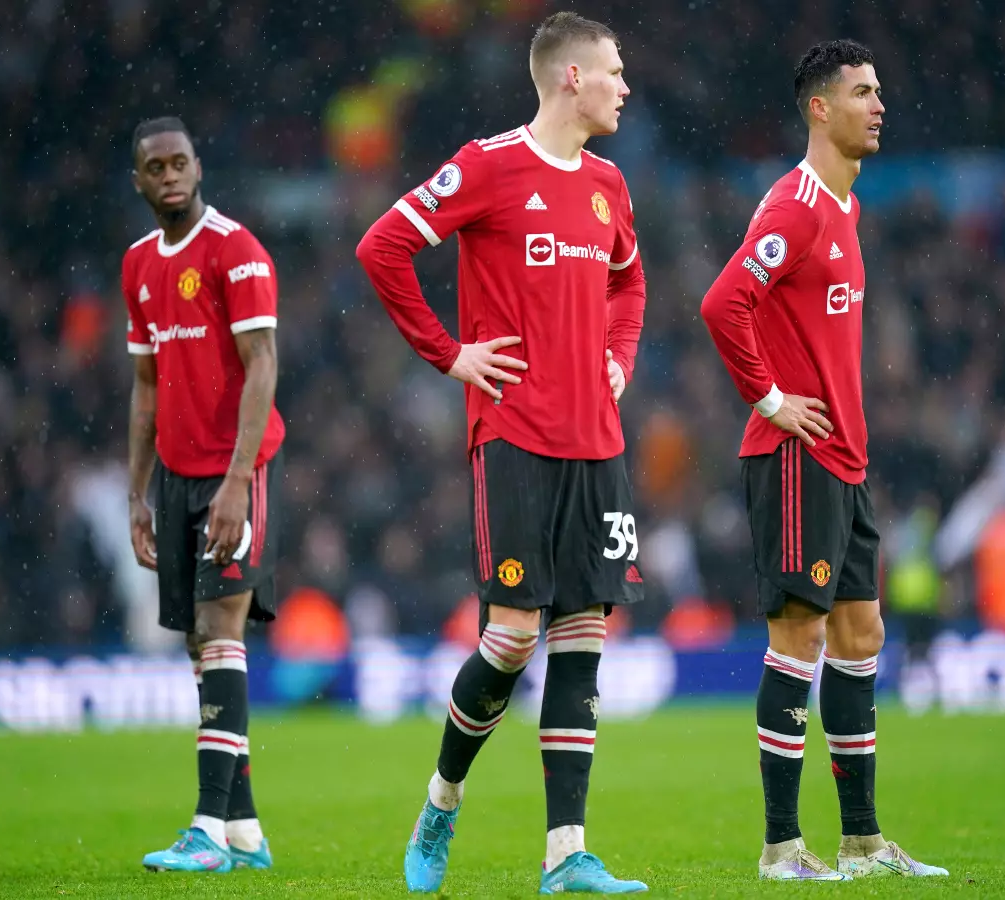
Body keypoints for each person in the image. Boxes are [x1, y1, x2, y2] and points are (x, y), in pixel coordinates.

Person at [357, 11, 648, 895]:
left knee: (585, 633)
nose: (625, 86)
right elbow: (385, 246)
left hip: (597, 440)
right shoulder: (487, 167)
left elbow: (630, 280)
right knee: (514, 635)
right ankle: (443, 800)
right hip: (514, 434)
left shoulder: (609, 186)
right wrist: (450, 355)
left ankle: (568, 853)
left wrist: (617, 359)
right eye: (613, 71)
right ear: (569, 78)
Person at [700, 41, 949, 881]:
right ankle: (780, 847)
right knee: (798, 640)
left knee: (860, 630)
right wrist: (769, 399)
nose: (879, 105)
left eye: (880, 91)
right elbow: (723, 301)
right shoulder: (797, 206)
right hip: (795, 457)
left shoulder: (844, 210)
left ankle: (864, 840)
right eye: (862, 92)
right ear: (819, 107)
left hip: (844, 459)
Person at [123, 116, 283, 873]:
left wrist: (237, 482)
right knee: (199, 644)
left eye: (180, 162)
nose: (170, 177)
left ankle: (208, 831)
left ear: (198, 165)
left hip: (234, 470)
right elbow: (146, 382)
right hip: (180, 474)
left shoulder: (236, 249)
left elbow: (262, 365)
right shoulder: (137, 266)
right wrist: (136, 494)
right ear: (139, 180)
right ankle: (246, 831)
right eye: (155, 168)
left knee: (222, 631)